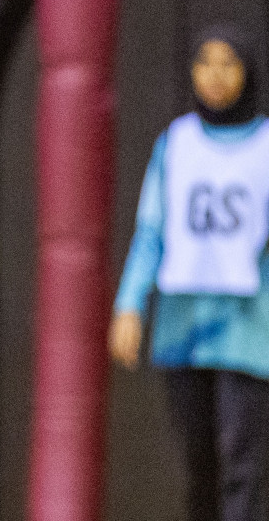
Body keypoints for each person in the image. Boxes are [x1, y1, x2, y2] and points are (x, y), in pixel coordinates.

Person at [110, 25, 269, 521]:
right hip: (184, 322)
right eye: (205, 63)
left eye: (228, 64)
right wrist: (129, 305)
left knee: (242, 461)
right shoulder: (175, 143)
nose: (216, 76)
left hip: (249, 324)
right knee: (195, 462)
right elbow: (151, 231)